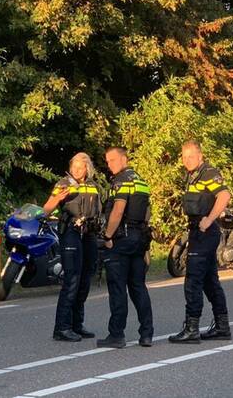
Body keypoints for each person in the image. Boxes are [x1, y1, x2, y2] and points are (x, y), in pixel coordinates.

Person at [169, 140, 231, 344]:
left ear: (200, 156)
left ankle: (191, 328)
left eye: (191, 156)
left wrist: (209, 218)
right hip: (197, 230)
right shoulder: (192, 175)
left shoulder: (208, 173)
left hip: (206, 231)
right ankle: (222, 327)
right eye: (184, 156)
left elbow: (224, 195)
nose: (187, 160)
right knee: (209, 280)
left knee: (193, 280)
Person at [97, 146, 153, 349]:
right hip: (139, 238)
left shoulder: (121, 181)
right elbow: (146, 212)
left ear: (123, 159)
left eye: (112, 160)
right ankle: (147, 334)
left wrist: (107, 236)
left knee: (118, 287)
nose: (109, 164)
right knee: (138, 286)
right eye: (107, 161)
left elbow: (118, 211)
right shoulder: (140, 181)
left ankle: (116, 335)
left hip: (121, 239)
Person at [44, 152, 100, 342]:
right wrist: (57, 198)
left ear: (87, 168)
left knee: (85, 279)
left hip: (89, 234)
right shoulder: (63, 183)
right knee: (72, 279)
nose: (76, 170)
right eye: (74, 166)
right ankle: (62, 327)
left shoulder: (94, 186)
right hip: (71, 233)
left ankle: (77, 324)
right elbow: (46, 209)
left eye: (80, 167)